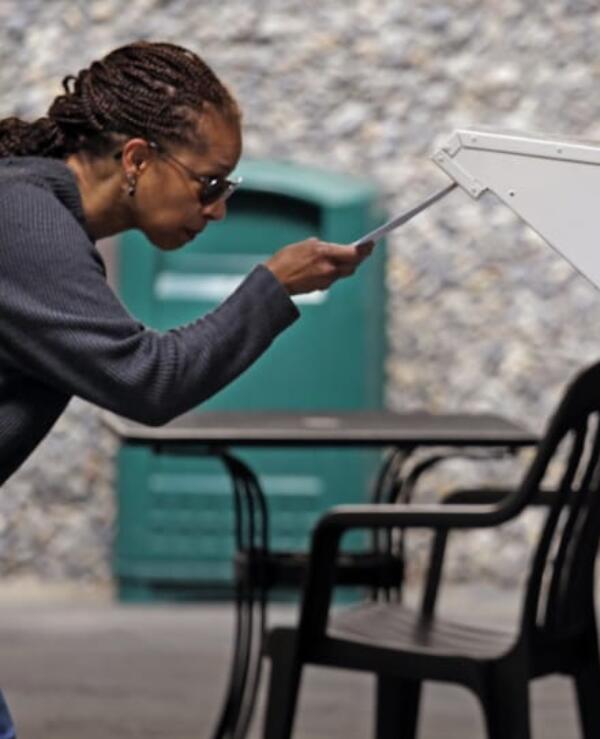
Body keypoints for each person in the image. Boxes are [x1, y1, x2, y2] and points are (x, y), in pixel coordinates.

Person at [0, 41, 375, 736]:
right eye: (211, 183)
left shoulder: (33, 212)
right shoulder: (23, 222)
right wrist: (273, 288)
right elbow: (147, 379)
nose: (219, 209)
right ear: (138, 159)